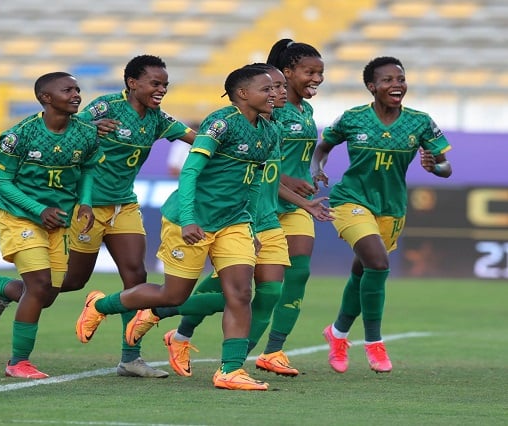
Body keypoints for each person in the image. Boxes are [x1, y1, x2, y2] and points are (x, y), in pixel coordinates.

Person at [0, 55, 196, 378]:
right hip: (85, 207)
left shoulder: (158, 119)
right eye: (155, 84)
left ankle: (130, 357)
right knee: (69, 282)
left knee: (136, 277)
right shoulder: (106, 107)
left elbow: (199, 140)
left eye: (164, 85)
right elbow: (69, 124)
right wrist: (91, 125)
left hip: (124, 205)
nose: (161, 90)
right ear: (132, 83)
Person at [76, 64, 278, 391]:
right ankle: (100, 305)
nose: (274, 94)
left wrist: (251, 228)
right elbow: (189, 172)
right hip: (191, 219)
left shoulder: (269, 131)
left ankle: (230, 370)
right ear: (243, 94)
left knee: (241, 293)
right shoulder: (222, 122)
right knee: (174, 294)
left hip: (234, 222)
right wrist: (189, 219)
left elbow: (252, 183)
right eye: (267, 89)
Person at [125, 65, 333, 378]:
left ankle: (243, 362)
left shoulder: (278, 124)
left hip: (258, 217)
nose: (277, 94)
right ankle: (170, 324)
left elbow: (266, 175)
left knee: (266, 292)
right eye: (272, 87)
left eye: (278, 89)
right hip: (226, 216)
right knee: (211, 292)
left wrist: (304, 203)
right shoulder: (231, 122)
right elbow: (198, 169)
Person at [0, 72, 103, 379]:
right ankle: (18, 362)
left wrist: (85, 202)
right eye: (68, 90)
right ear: (46, 98)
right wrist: (37, 209)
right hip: (18, 215)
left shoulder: (86, 132)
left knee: (45, 295)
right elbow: (2, 182)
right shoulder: (19, 135)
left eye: (77, 89)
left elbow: (87, 170)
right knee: (39, 286)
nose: (76, 95)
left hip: (57, 219)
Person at [312, 56, 452, 374]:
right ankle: (374, 343)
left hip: (391, 208)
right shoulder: (353, 118)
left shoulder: (420, 121)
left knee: (363, 272)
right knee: (378, 262)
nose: (396, 85)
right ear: (372, 86)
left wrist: (435, 167)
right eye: (388, 80)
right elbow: (323, 147)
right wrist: (316, 169)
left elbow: (445, 165)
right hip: (351, 200)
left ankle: (337, 334)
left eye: (400, 79)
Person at [251, 39, 326, 376]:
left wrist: (312, 172)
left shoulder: (305, 111)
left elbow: (296, 154)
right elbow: (256, 157)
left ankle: (274, 350)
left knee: (298, 273)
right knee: (234, 283)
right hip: (263, 201)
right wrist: (287, 179)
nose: (317, 79)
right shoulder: (268, 108)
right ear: (288, 72)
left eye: (320, 73)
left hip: (296, 206)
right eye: (310, 72)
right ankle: (181, 330)